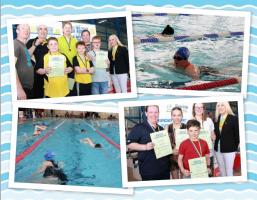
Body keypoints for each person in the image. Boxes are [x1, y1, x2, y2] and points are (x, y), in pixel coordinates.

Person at [126, 105, 171, 181]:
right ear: (146, 113)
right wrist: (145, 147)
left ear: (158, 113)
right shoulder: (139, 128)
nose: (154, 115)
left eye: (156, 112)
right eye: (151, 112)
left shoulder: (161, 129)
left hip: (164, 169)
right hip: (149, 170)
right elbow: (129, 144)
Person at [214, 102, 239, 177]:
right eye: (218, 105)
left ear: (226, 106)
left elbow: (237, 135)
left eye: (222, 105)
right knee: (222, 170)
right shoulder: (216, 119)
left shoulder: (233, 118)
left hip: (229, 150)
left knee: (229, 171)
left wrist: (234, 148)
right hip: (218, 149)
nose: (220, 107)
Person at [192, 103, 216, 176]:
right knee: (197, 176)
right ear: (194, 109)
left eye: (201, 107)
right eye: (197, 107)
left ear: (203, 109)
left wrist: (213, 138)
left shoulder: (209, 120)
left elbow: (213, 134)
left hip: (208, 153)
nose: (199, 109)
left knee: (209, 175)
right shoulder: (190, 121)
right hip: (195, 153)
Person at [26, 24, 49, 99]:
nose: (43, 31)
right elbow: (26, 56)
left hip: (48, 75)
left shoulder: (50, 43)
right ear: (37, 31)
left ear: (47, 31)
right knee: (36, 98)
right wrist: (35, 45)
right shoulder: (31, 41)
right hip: (35, 77)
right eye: (40, 29)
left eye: (45, 29)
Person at [14, 24, 34, 100]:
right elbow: (11, 67)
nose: (26, 30)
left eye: (28, 29)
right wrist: (18, 89)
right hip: (21, 87)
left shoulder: (23, 45)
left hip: (26, 87)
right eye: (23, 28)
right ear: (17, 31)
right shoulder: (16, 44)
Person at [58, 22, 77, 96]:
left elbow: (77, 55)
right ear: (63, 29)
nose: (68, 29)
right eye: (66, 27)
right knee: (62, 90)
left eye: (69, 28)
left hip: (72, 69)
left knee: (71, 89)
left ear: (71, 29)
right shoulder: (58, 40)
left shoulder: (75, 40)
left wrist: (74, 67)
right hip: (63, 69)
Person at [167, 107, 187, 179]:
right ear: (171, 116)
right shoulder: (167, 128)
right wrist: (171, 151)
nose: (176, 117)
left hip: (184, 158)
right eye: (174, 115)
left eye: (179, 115)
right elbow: (164, 146)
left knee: (184, 179)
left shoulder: (186, 127)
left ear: (182, 116)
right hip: (172, 158)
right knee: (175, 180)